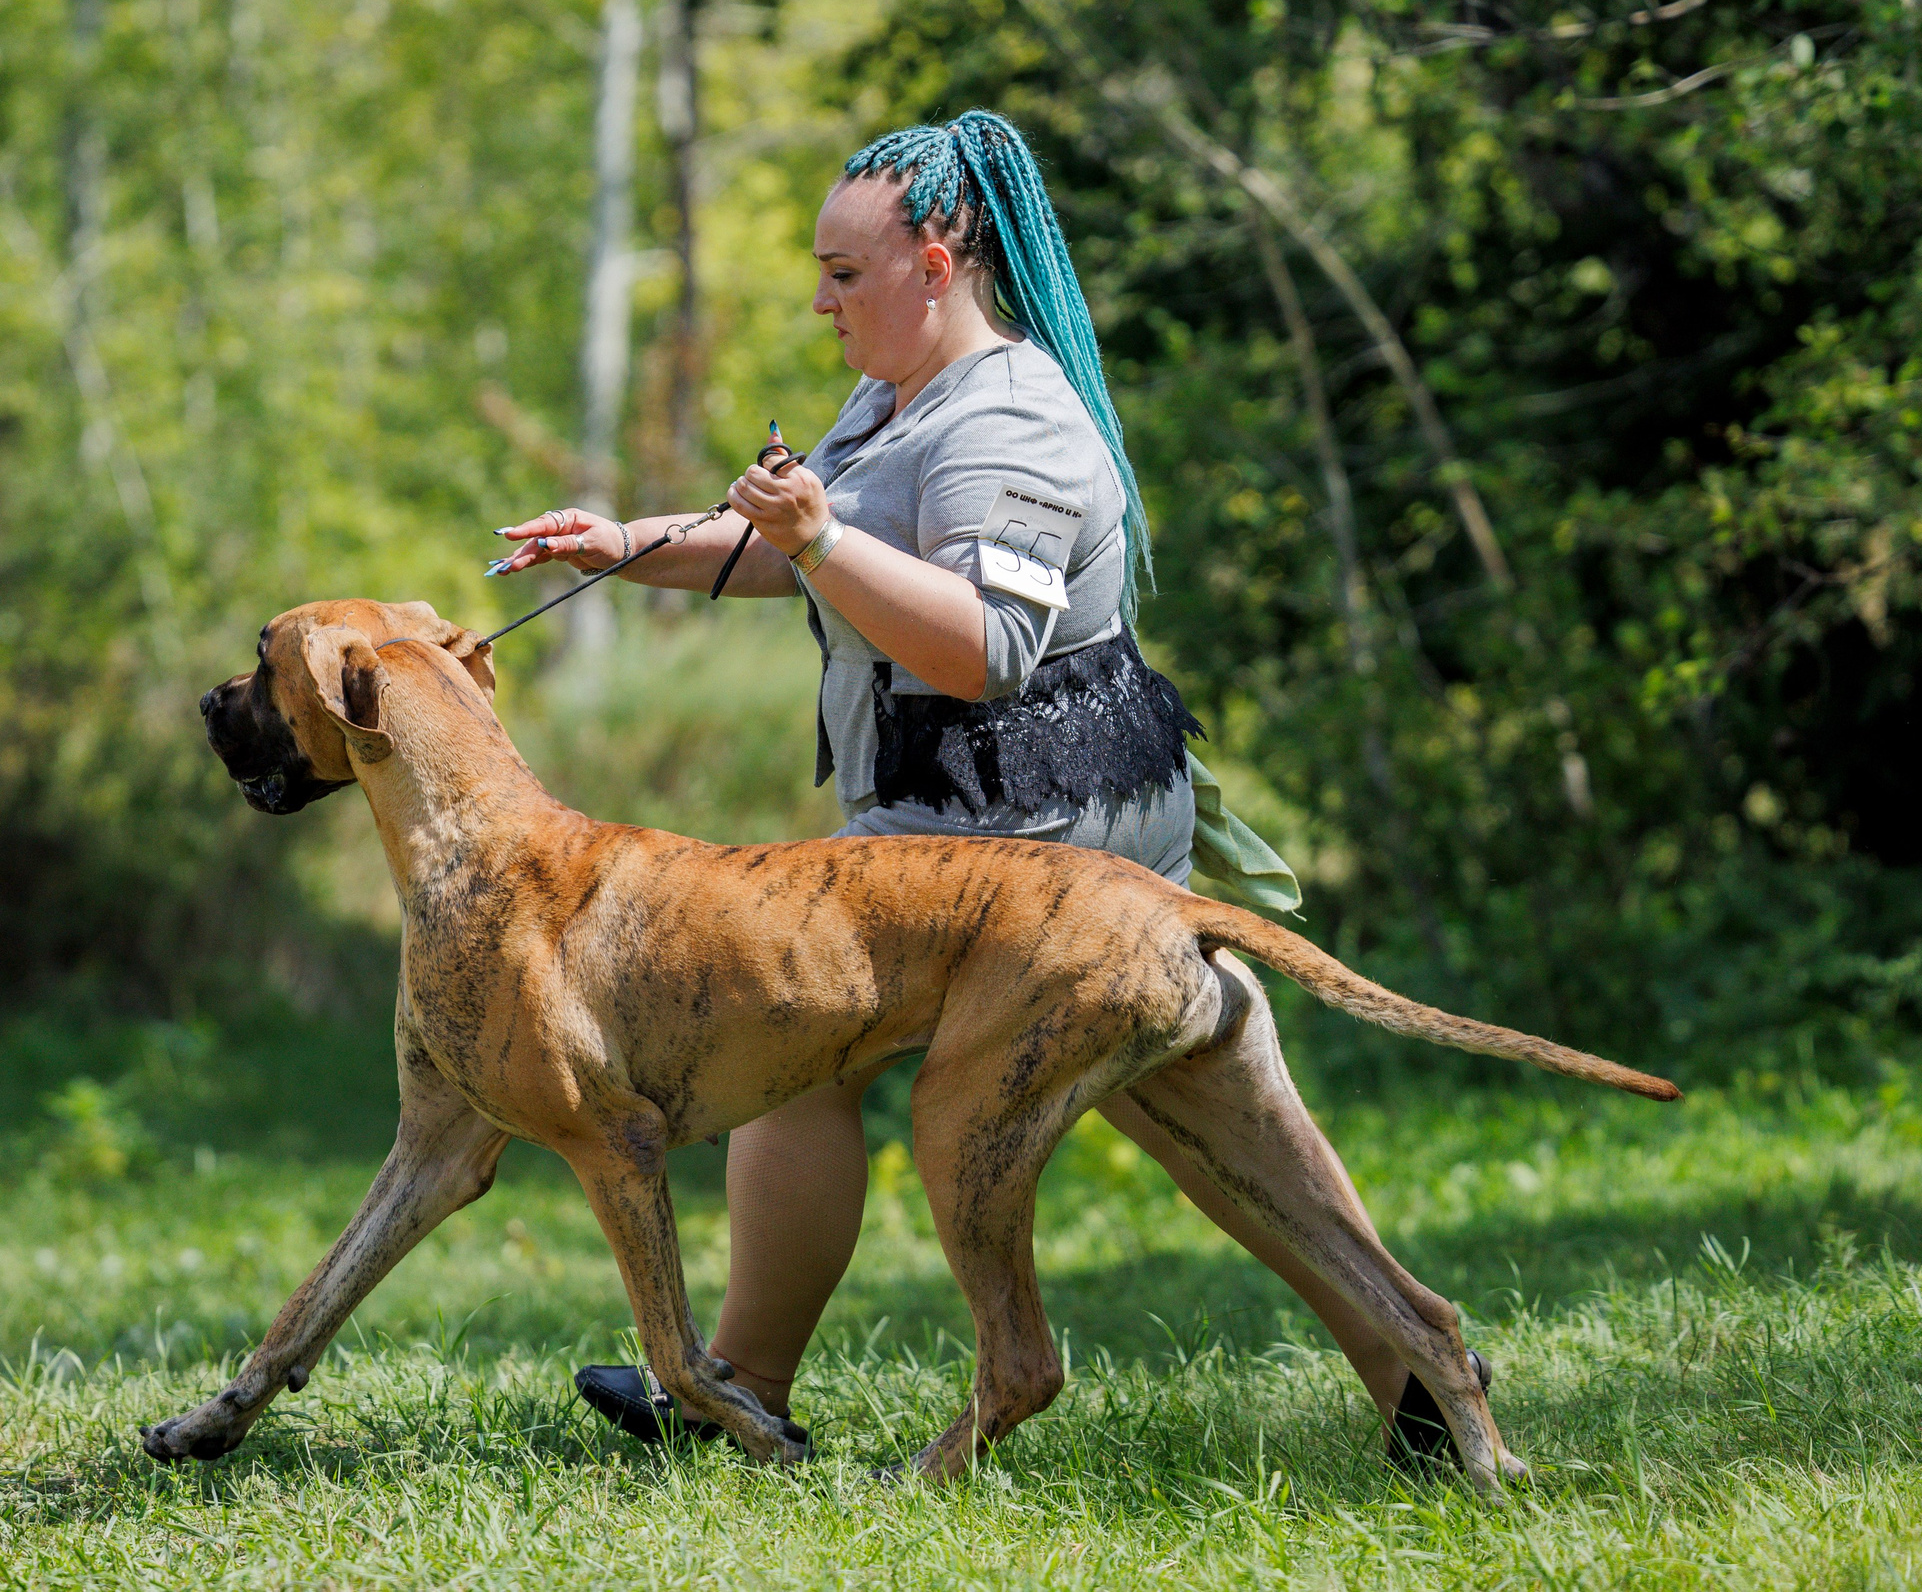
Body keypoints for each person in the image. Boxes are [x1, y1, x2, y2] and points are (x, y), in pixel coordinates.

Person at [489, 111, 1484, 1462]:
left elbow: (983, 648)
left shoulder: (1009, 421)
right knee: (1205, 1106)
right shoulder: (899, 391)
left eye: (845, 274)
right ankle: (1420, 1380)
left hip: (1026, 818)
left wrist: (821, 537)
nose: (822, 302)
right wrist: (623, 542)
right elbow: (797, 545)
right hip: (1011, 811)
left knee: (786, 1044)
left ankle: (736, 1388)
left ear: (937, 264)